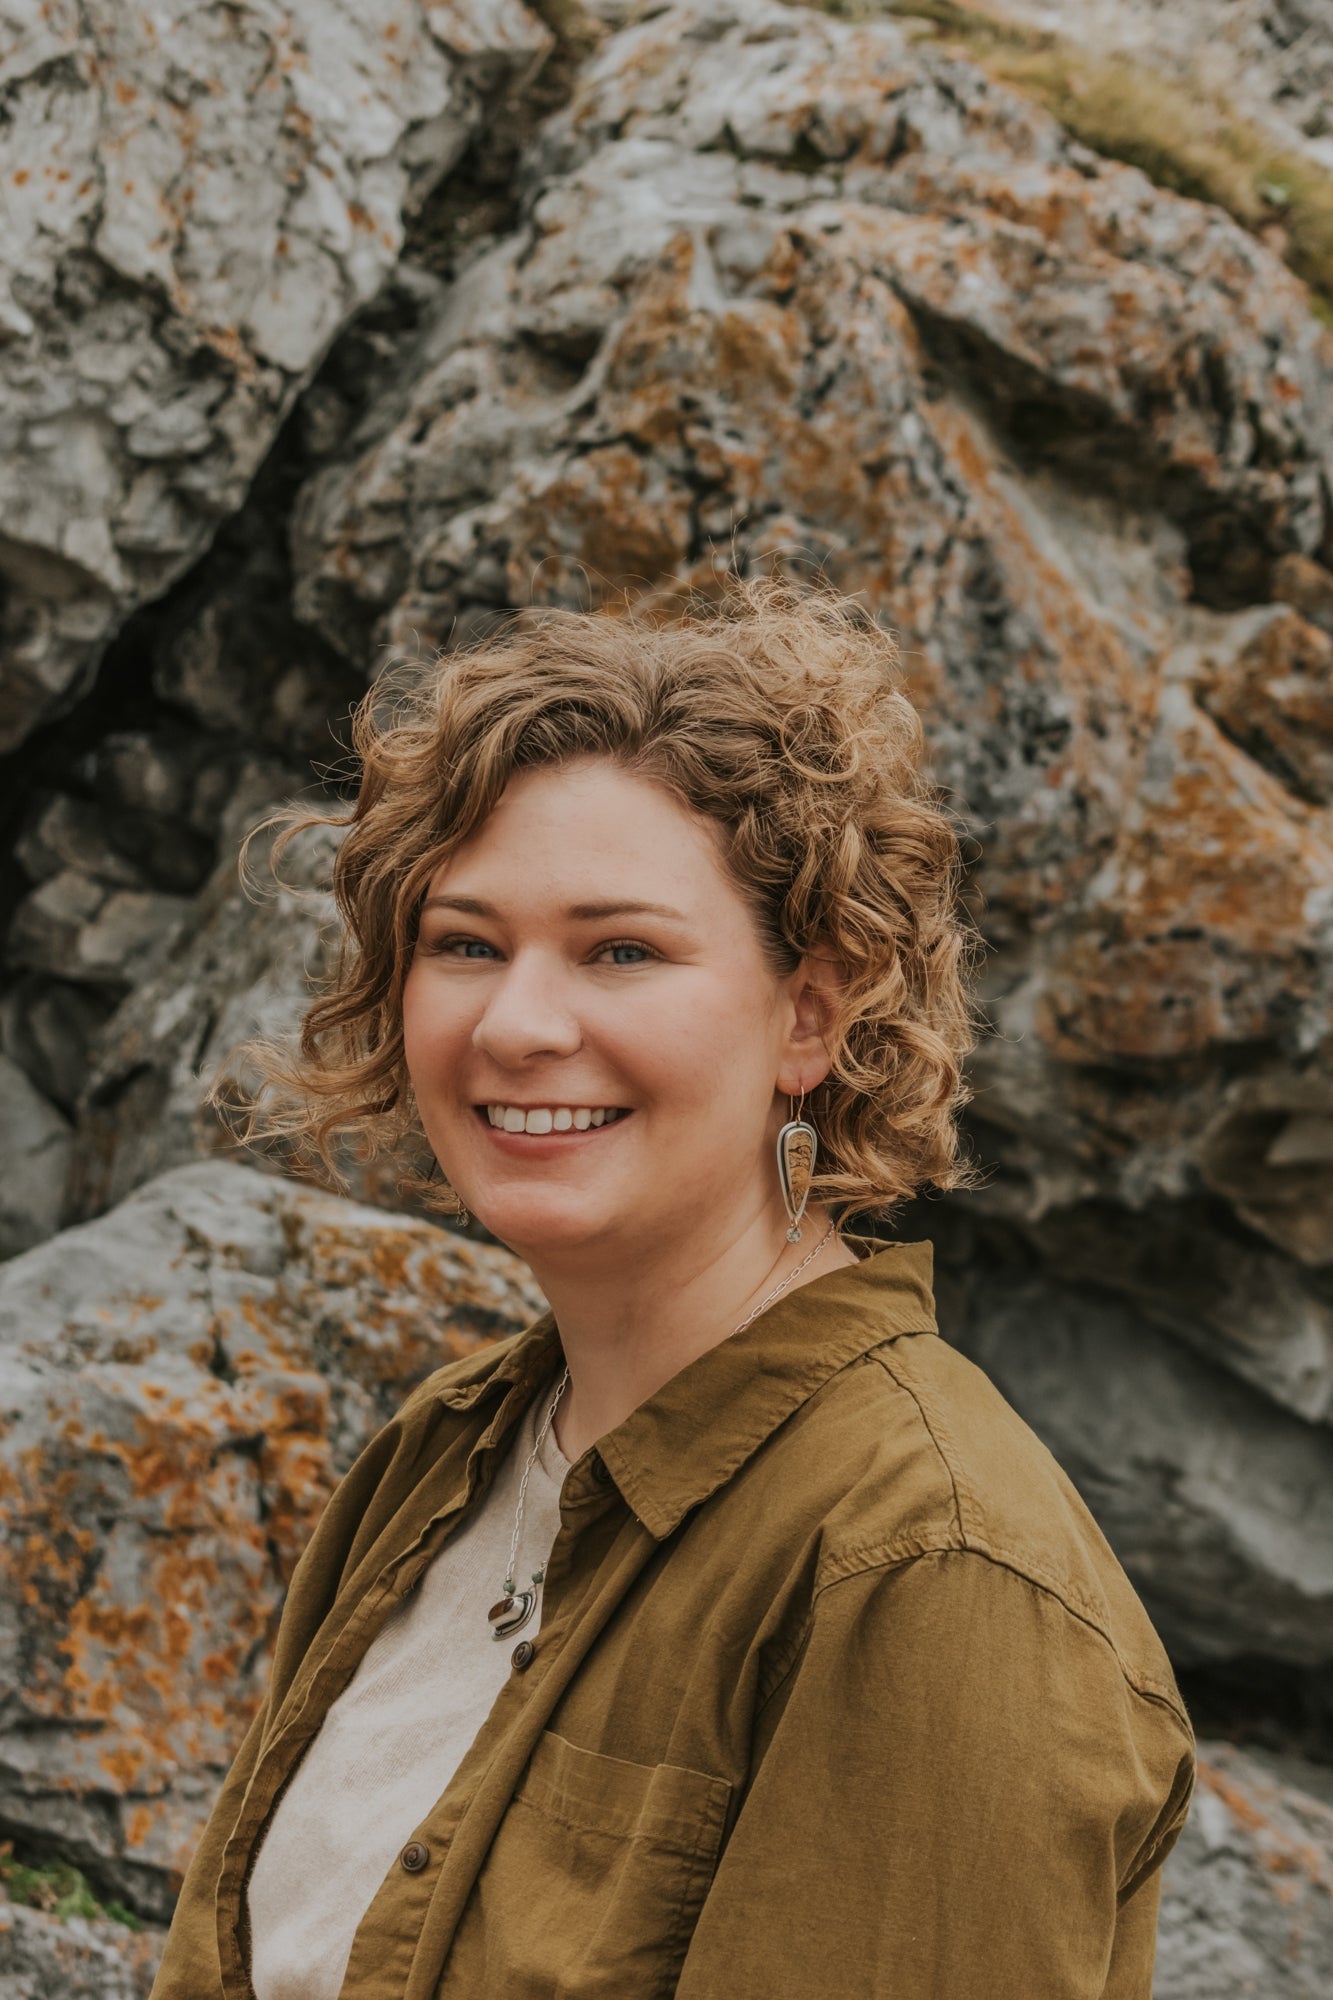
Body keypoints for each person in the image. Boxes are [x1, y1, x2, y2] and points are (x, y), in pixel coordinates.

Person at [151, 579, 1195, 2000]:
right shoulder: (443, 1455)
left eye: (620, 950)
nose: (518, 1023)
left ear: (809, 1015)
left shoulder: (931, 1574)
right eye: (464, 944)